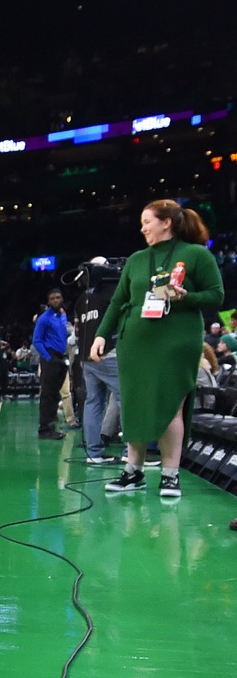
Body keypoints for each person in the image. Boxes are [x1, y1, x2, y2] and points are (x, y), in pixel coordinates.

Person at [96, 201, 224, 499]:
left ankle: (170, 475)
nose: (142, 228)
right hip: (136, 343)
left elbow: (216, 295)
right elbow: (117, 301)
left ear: (167, 222)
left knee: (170, 407)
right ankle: (133, 471)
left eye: (146, 221)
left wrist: (186, 296)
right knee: (135, 404)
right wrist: (101, 335)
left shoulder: (196, 254)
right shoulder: (136, 260)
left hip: (176, 341)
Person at [73, 258, 121, 466]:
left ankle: (94, 453)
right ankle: (133, 451)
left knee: (93, 402)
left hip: (85, 358)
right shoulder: (112, 292)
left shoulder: (81, 298)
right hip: (107, 354)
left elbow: (77, 330)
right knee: (126, 399)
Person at [33, 289, 70, 440]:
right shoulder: (44, 318)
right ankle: (44, 429)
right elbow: (37, 340)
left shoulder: (62, 315)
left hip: (61, 356)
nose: (56, 300)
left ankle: (51, 425)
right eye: (53, 298)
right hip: (51, 357)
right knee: (47, 394)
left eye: (58, 297)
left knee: (55, 394)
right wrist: (48, 357)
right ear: (48, 301)